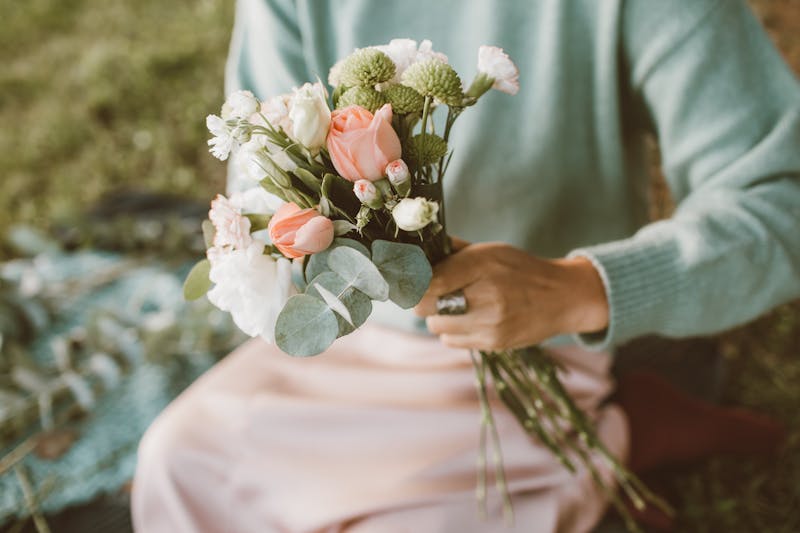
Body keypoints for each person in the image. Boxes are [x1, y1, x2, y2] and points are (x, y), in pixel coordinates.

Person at [131, 0, 800, 531]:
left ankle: (606, 434)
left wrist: (579, 287)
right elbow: (261, 172)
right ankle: (606, 444)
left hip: (538, 344)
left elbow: (780, 198)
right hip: (342, 335)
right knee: (175, 465)